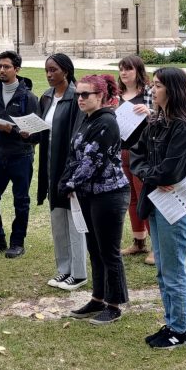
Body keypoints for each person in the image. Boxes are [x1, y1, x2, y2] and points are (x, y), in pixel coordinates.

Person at [130, 66, 186, 350]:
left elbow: (172, 170)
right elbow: (137, 155)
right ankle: (171, 322)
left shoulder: (182, 125)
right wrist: (151, 173)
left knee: (173, 270)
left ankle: (180, 330)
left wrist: (152, 173)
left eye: (158, 85)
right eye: (153, 85)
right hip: (156, 200)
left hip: (175, 205)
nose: (152, 89)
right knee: (163, 268)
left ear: (172, 90)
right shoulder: (157, 122)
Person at [59, 73, 130, 325]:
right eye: (78, 94)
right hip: (89, 194)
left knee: (109, 251)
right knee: (94, 249)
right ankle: (97, 298)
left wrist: (69, 183)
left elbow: (92, 161)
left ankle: (115, 304)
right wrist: (68, 181)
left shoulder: (107, 122)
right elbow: (74, 154)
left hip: (109, 194)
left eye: (85, 94)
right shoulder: (88, 119)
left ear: (100, 96)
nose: (80, 98)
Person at [0, 50, 38, 258]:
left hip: (21, 157)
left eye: (6, 67)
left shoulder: (28, 98)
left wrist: (11, 130)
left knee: (20, 201)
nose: (1, 70)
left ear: (17, 70)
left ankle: (17, 242)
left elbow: (35, 136)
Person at [35, 53, 87, 290]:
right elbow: (41, 129)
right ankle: (63, 269)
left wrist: (72, 174)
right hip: (49, 166)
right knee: (57, 219)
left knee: (74, 221)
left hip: (67, 167)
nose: (49, 74)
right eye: (47, 70)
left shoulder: (76, 98)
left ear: (65, 71)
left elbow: (78, 137)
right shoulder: (46, 97)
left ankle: (78, 273)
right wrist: (27, 133)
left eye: (53, 70)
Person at [116, 54, 152, 262]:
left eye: (128, 69)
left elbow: (163, 117)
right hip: (121, 151)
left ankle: (156, 246)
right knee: (131, 198)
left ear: (138, 71)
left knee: (145, 197)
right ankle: (139, 242)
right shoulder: (116, 94)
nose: (124, 73)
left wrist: (149, 112)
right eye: (121, 69)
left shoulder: (148, 92)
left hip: (143, 153)